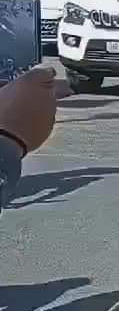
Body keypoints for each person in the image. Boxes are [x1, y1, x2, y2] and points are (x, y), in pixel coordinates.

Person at [0, 67, 59, 214]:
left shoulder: (19, 88)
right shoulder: (46, 96)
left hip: (14, 139)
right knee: (9, 170)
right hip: (17, 142)